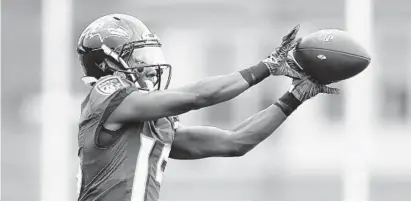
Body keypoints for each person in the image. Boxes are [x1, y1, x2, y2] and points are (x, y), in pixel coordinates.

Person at [75, 14, 339, 201]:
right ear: (107, 64)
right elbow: (196, 97)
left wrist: (294, 96)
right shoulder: (106, 94)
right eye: (138, 57)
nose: (148, 66)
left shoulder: (149, 122)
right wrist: (266, 66)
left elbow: (234, 143)